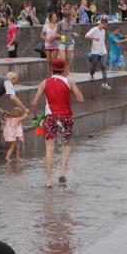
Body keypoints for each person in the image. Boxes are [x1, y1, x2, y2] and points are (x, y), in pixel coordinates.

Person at [30, 59, 85, 187]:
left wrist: (35, 118)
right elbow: (81, 100)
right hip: (65, 116)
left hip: (50, 117)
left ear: (52, 69)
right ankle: (61, 172)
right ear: (64, 69)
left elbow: (34, 103)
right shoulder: (69, 81)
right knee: (66, 145)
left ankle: (49, 181)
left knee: (49, 149)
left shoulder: (44, 83)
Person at [85, 18, 112, 89]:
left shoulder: (103, 31)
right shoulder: (94, 29)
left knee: (104, 66)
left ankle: (105, 82)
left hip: (103, 51)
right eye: (104, 25)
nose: (105, 27)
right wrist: (94, 38)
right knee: (94, 64)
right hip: (95, 51)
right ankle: (91, 73)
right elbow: (86, 36)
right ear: (101, 24)